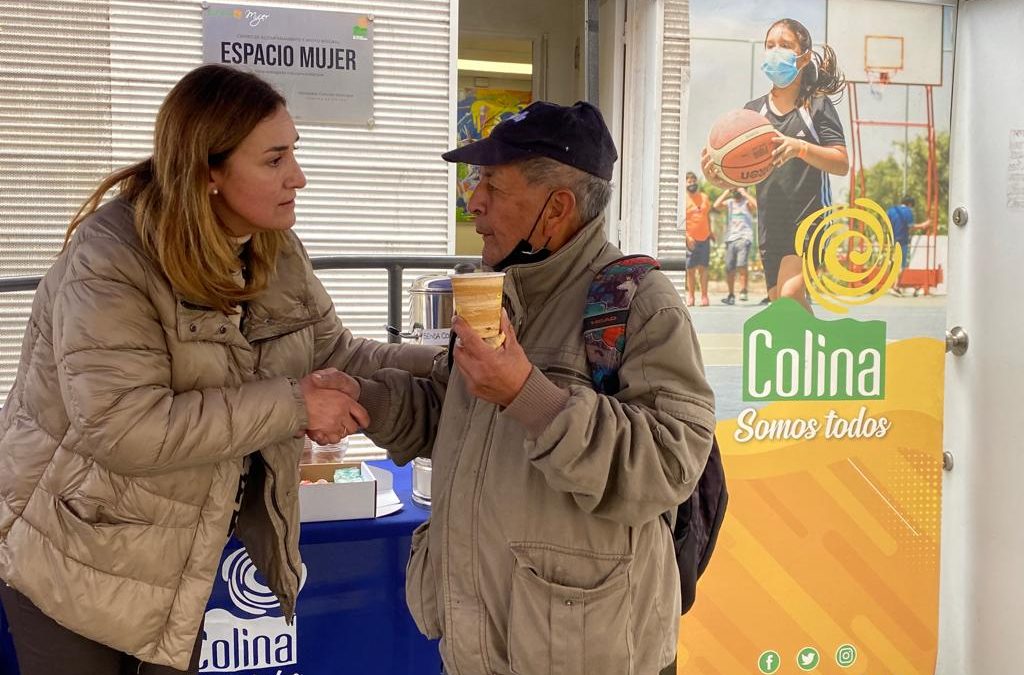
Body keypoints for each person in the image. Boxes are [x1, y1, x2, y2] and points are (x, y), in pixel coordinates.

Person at [0, 64, 439, 674]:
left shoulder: (273, 246)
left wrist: (452, 363)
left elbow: (336, 355)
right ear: (209, 170)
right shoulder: (110, 260)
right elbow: (122, 427)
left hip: (176, 554)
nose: (299, 178)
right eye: (274, 160)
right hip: (71, 551)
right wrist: (295, 405)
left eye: (295, 154)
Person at [317, 101, 716, 675]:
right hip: (482, 646)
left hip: (586, 653)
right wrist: (366, 399)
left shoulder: (638, 303)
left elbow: (669, 465)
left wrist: (528, 393)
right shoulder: (497, 293)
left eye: (493, 187)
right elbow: (453, 414)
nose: (473, 202)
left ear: (556, 208)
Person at [702, 17, 849, 312]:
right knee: (781, 308)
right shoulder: (752, 114)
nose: (775, 51)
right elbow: (748, 174)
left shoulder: (816, 105)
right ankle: (811, 354)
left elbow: (841, 163)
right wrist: (721, 179)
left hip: (809, 220)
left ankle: (815, 354)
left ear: (803, 56)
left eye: (785, 45)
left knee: (790, 295)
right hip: (771, 225)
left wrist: (801, 148)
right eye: (770, 45)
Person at [714, 187, 757, 304]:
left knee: (741, 264)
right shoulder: (730, 203)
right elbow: (716, 205)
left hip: (744, 237)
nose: (737, 191)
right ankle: (731, 295)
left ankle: (743, 291)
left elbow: (757, 206)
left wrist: (745, 193)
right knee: (729, 268)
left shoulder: (747, 203)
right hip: (730, 239)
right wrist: (727, 191)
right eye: (736, 189)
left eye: (739, 189)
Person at [887, 195, 930, 296]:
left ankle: (892, 284)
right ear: (910, 204)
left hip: (891, 240)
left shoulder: (891, 210)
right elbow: (911, 227)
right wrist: (924, 225)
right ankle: (895, 286)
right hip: (902, 240)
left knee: (892, 263)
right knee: (901, 265)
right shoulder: (908, 212)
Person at [684, 171, 714, 306]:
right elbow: (681, 222)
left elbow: (707, 217)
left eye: (694, 181)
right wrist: (687, 237)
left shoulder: (704, 198)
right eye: (689, 181)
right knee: (690, 270)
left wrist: (711, 232)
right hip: (691, 240)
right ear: (685, 183)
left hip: (705, 238)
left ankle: (704, 296)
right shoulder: (683, 200)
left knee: (703, 268)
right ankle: (691, 296)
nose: (692, 184)